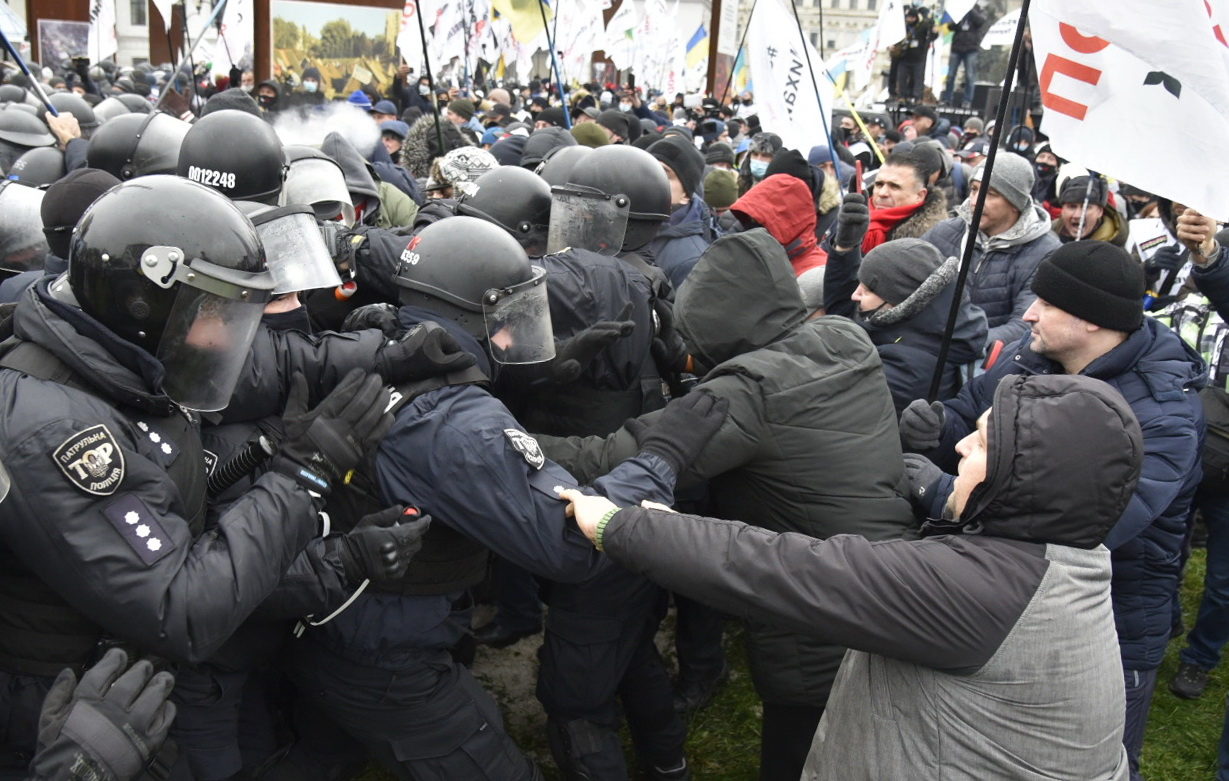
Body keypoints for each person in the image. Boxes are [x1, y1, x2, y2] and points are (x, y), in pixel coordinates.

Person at [283, 217, 727, 781]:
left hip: (339, 622)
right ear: (480, 312)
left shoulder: (378, 344)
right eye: (513, 318)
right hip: (384, 652)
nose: (520, 334)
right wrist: (661, 457)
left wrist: (540, 373)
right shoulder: (455, 422)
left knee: (323, 757)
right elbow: (569, 542)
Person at [0, 176, 401, 777]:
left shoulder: (116, 360)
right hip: (71, 707)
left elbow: (177, 517)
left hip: (124, 679)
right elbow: (179, 606)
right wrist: (303, 477)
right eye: (215, 312)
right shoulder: (55, 427)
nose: (225, 337)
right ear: (145, 302)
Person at [560, 371, 1142, 781]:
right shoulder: (1058, 559)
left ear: (1027, 476)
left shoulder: (984, 591)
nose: (961, 444)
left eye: (984, 440)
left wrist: (617, 524)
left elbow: (782, 569)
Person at [539, 229, 916, 781]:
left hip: (814, 607)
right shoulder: (844, 338)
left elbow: (615, 456)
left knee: (801, 749)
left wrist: (504, 436)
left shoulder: (748, 391)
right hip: (883, 570)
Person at [899, 241, 1205, 781]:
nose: (1029, 313)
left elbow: (1096, 525)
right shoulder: (1035, 352)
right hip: (1010, 597)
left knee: (1092, 765)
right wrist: (939, 429)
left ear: (1092, 321)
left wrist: (943, 490)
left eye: (1046, 302)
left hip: (1109, 624)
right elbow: (973, 418)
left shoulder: (1162, 414)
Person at [824, 199, 987, 412]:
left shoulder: (909, 370)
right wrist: (845, 249)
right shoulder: (907, 326)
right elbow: (845, 317)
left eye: (867, 290)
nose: (855, 295)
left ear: (898, 301)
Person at [921, 153, 1059, 352]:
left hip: (991, 361)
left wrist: (962, 343)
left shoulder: (1046, 253)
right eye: (974, 190)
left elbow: (1025, 324)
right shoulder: (946, 231)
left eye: (990, 194)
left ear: (1015, 203)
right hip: (929, 345)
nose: (975, 201)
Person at [861, 148, 948, 253]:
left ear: (919, 196)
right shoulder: (853, 221)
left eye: (894, 186)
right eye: (879, 184)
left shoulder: (934, 239)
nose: (882, 193)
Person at [1054, 174, 1128, 247]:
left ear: (1100, 211)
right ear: (1062, 209)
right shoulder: (1048, 236)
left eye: (1086, 207)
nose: (1077, 215)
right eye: (1072, 207)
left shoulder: (1115, 252)